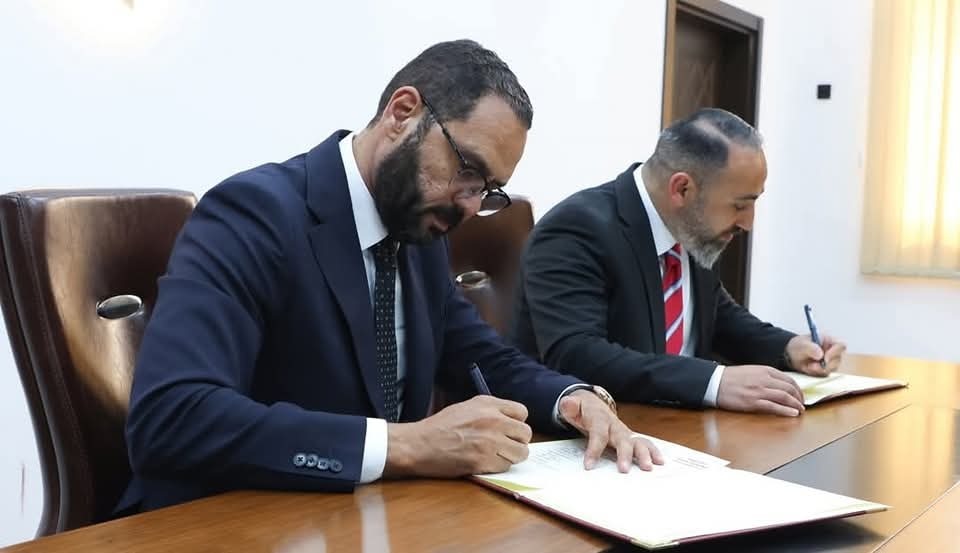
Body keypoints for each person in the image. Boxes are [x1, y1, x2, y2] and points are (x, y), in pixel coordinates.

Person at [118, 39, 661, 513]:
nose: (470, 206)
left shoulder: (419, 229)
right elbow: (172, 416)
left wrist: (572, 398)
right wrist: (407, 445)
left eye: (486, 190)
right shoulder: (254, 214)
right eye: (467, 171)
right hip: (238, 520)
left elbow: (480, 356)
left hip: (374, 518)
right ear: (403, 112)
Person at [510, 108, 847, 417]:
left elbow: (717, 316)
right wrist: (714, 382)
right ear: (683, 189)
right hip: (599, 431)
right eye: (739, 205)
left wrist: (788, 347)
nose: (748, 223)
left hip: (679, 426)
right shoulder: (577, 229)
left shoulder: (691, 225)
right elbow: (577, 355)